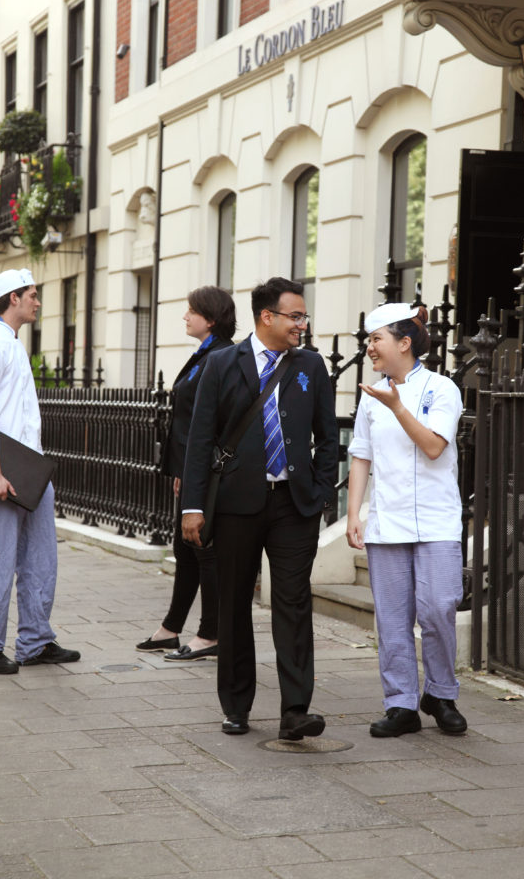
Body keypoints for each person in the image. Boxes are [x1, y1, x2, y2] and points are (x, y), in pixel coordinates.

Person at [182, 277, 338, 739]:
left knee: (293, 603)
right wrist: (193, 506)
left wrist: (322, 490)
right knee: (233, 605)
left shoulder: (311, 365)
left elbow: (328, 437)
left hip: (294, 505)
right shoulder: (222, 364)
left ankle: (295, 710)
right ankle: (237, 704)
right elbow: (201, 440)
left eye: (304, 316)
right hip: (235, 505)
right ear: (266, 317)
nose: (302, 324)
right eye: (295, 316)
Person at [346, 303, 467, 738]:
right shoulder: (371, 394)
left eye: (376, 339)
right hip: (388, 522)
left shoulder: (442, 388)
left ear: (404, 342)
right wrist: (354, 513)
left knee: (438, 609)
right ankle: (401, 705)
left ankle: (440, 693)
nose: (369, 348)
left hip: (437, 520)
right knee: (393, 619)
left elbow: (434, 447)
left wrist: (397, 407)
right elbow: (361, 454)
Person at [0, 268, 80, 675]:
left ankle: (35, 640)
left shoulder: (10, 344)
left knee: (40, 559)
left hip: (29, 470)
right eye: (32, 293)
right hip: (3, 472)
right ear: (13, 298)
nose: (37, 300)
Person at [135, 286, 236, 660]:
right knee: (184, 547)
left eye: (191, 311)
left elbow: (211, 421)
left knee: (203, 548)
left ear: (210, 318)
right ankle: (171, 629)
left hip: (208, 470)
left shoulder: (222, 355)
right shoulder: (205, 353)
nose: (185, 316)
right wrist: (182, 469)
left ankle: (210, 634)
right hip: (191, 468)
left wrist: (195, 470)